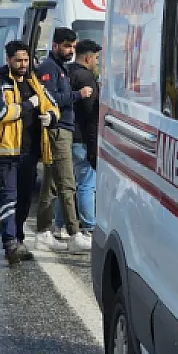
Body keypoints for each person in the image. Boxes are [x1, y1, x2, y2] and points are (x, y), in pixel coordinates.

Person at [0, 40, 60, 265]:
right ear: (8, 60)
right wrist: (29, 105)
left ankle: (18, 239)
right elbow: (1, 113)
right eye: (18, 60)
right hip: (7, 153)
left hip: (30, 152)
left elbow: (52, 104)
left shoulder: (33, 81)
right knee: (9, 199)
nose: (23, 64)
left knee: (25, 200)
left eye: (26, 60)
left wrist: (51, 117)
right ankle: (10, 244)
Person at [34, 28, 93, 252]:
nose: (70, 50)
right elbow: (50, 98)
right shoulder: (49, 68)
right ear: (56, 45)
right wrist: (79, 95)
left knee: (50, 185)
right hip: (58, 130)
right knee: (67, 184)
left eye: (72, 46)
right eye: (66, 46)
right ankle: (74, 233)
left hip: (63, 130)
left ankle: (43, 231)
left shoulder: (61, 68)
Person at [64, 39, 102, 239]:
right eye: (96, 58)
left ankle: (60, 224)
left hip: (65, 136)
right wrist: (93, 146)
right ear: (88, 57)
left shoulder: (66, 71)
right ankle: (88, 227)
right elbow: (92, 118)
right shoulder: (87, 77)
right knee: (86, 184)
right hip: (81, 139)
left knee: (65, 184)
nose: (96, 62)